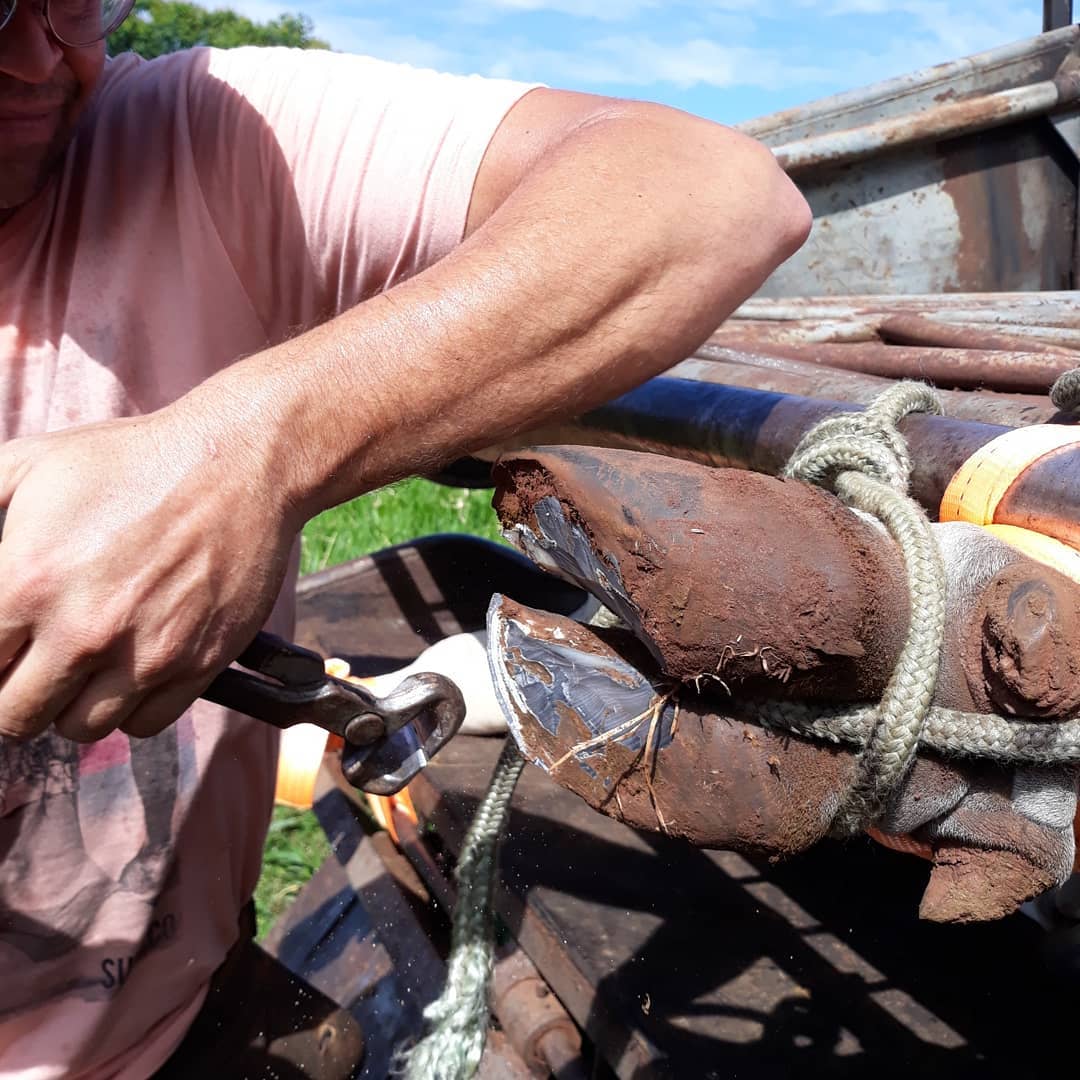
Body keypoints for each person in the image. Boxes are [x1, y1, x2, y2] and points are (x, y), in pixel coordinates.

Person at [0, 0, 811, 1076]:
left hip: (169, 1027)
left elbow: (710, 196)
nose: (46, 54)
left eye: (76, 0)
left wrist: (245, 448)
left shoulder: (191, 140)